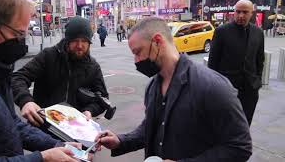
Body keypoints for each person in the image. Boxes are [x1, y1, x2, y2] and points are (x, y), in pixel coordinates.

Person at [95, 17, 252, 161]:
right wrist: (120, 141)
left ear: (157, 41)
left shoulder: (212, 86)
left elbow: (240, 147)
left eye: (138, 52)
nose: (136, 61)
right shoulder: (152, 86)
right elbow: (151, 127)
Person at [0, 0, 82, 161]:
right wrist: (42, 158)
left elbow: (12, 124)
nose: (22, 43)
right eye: (18, 33)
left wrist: (56, 145)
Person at [11, 16, 109, 128]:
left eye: (84, 41)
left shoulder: (93, 66)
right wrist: (26, 101)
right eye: (75, 40)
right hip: (43, 127)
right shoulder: (48, 56)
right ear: (67, 40)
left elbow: (103, 98)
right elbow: (18, 77)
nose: (80, 46)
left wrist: (89, 111)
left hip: (75, 129)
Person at [208, 0, 265, 126]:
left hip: (250, 89)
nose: (240, 15)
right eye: (238, 11)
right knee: (224, 122)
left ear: (252, 13)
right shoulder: (222, 31)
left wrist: (257, 81)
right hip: (227, 88)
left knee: (245, 122)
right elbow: (212, 62)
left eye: (245, 12)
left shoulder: (258, 33)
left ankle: (242, 145)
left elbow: (259, 60)